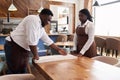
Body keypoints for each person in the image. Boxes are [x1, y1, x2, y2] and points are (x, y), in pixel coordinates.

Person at [4, 8, 67, 74]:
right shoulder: (33, 20)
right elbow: (32, 41)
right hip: (14, 46)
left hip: (23, 48)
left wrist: (58, 49)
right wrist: (36, 56)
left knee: (22, 70)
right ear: (43, 16)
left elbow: (47, 39)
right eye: (48, 20)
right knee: (15, 71)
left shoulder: (40, 27)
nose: (48, 23)